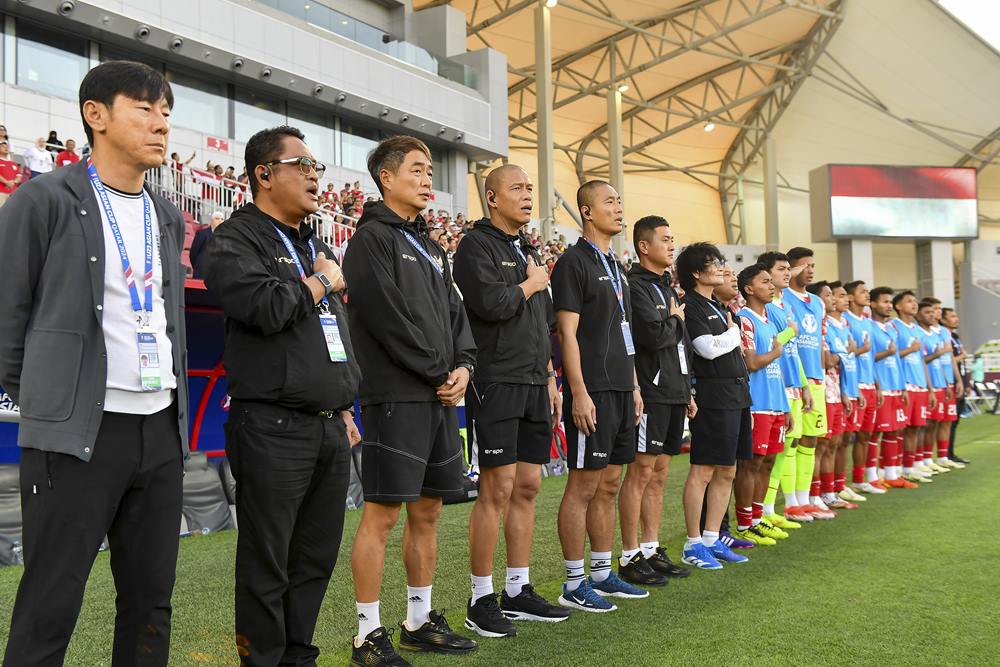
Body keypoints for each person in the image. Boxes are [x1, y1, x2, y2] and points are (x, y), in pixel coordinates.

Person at [0, 60, 189, 666]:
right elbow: (8, 317)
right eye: (145, 108)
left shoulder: (166, 212)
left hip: (159, 429)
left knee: (150, 602)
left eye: (166, 112)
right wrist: (49, 398)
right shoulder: (42, 200)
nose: (161, 124)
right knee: (51, 602)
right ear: (96, 115)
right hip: (78, 432)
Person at [205, 125, 361, 666]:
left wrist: (341, 403)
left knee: (315, 559)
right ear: (264, 174)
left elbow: (331, 333)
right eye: (303, 164)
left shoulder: (314, 245)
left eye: (317, 165)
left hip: (327, 427)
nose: (316, 174)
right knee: (266, 563)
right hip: (271, 426)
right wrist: (320, 283)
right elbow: (266, 308)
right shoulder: (233, 237)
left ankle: (299, 657)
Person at [343, 135, 478, 665]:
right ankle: (366, 634)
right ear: (387, 178)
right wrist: (438, 369)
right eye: (418, 171)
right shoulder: (371, 239)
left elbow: (458, 318)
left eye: (429, 172)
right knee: (382, 515)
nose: (428, 181)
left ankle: (418, 620)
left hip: (442, 398)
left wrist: (464, 365)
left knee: (428, 512)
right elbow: (382, 316)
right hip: (397, 397)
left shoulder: (431, 245)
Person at [453, 164, 569, 638]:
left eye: (529, 188)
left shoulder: (527, 248)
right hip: (496, 379)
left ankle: (516, 590)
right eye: (517, 188)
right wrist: (531, 283)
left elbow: (541, 324)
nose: (527, 196)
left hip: (534, 382)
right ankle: (480, 598)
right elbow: (490, 306)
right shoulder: (474, 245)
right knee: (496, 490)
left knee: (527, 487)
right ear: (492, 197)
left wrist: (549, 377)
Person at [551, 180, 647, 612]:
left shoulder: (617, 267)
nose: (618, 207)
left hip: (622, 388)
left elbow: (622, 335)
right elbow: (566, 332)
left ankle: (603, 574)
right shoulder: (574, 262)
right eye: (610, 201)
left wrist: (635, 386)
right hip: (592, 390)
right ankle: (573, 583)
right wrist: (578, 392)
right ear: (587, 212)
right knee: (583, 485)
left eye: (619, 200)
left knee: (610, 481)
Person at [621, 216, 693, 583]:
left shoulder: (666, 288)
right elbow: (652, 336)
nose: (671, 245)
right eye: (665, 239)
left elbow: (674, 341)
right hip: (650, 391)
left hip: (674, 391)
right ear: (644, 246)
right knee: (641, 472)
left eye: (673, 238)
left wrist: (686, 389)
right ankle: (629, 554)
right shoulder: (637, 287)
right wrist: (677, 319)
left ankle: (650, 548)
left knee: (660, 473)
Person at [675, 243, 751, 570]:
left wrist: (731, 333)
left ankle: (711, 538)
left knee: (728, 469)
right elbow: (706, 349)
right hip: (712, 395)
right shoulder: (691, 305)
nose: (721, 268)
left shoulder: (718, 306)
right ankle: (693, 543)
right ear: (696, 272)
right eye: (714, 263)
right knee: (703, 469)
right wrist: (733, 335)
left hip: (736, 395)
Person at [734, 263, 790, 546]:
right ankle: (746, 525)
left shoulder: (768, 320)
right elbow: (752, 362)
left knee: (768, 462)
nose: (771, 286)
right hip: (757, 404)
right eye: (765, 281)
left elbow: (774, 369)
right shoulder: (744, 318)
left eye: (772, 281)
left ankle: (758, 518)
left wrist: (786, 407)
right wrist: (775, 352)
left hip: (775, 403)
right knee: (751, 465)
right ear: (748, 288)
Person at [756, 252, 808, 527]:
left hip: (791, 385)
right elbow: (772, 344)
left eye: (789, 269)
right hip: (774, 386)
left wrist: (803, 384)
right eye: (781, 269)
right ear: (766, 273)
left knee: (785, 446)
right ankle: (761, 510)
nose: (787, 273)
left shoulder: (783, 306)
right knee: (768, 452)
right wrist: (791, 332)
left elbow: (792, 351)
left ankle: (769, 509)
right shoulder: (764, 309)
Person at [782, 247, 833, 519]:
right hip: (793, 381)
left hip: (816, 380)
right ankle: (790, 503)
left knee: (811, 440)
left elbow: (820, 343)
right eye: (805, 266)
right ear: (791, 269)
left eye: (813, 265)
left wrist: (822, 378)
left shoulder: (817, 302)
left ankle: (804, 499)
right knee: (791, 440)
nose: (811, 270)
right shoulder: (782, 297)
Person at [842, 280, 886, 495]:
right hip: (854, 385)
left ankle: (867, 477)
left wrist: (877, 384)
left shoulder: (867, 321)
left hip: (869, 384)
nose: (867, 295)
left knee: (868, 435)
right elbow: (846, 353)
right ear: (850, 297)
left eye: (868, 291)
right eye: (862, 292)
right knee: (850, 437)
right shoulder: (846, 320)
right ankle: (848, 482)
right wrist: (861, 349)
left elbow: (871, 358)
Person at [869, 287, 913, 489]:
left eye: (889, 302)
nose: (888, 306)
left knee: (895, 430)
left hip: (896, 385)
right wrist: (887, 353)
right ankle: (871, 476)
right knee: (875, 433)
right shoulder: (869, 327)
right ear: (873, 304)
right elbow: (868, 358)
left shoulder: (891, 329)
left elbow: (895, 358)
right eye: (884, 302)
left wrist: (902, 386)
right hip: (881, 386)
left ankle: (891, 473)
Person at [891, 291, 936, 485]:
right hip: (905, 384)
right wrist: (909, 350)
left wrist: (930, 388)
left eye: (915, 301)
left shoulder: (916, 329)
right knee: (900, 429)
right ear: (898, 306)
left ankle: (911, 466)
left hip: (920, 385)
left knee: (917, 427)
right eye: (909, 301)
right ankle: (895, 469)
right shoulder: (894, 327)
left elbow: (921, 360)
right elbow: (890, 355)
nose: (914, 304)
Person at [915, 300, 955, 475]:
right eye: (929, 311)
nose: (933, 314)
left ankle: (935, 458)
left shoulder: (940, 333)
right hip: (924, 385)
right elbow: (923, 359)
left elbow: (945, 360)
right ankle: (918, 461)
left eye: (935, 311)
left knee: (938, 422)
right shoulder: (918, 333)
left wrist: (951, 382)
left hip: (940, 384)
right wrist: (938, 353)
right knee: (923, 425)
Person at [940, 307, 971, 464]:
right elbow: (949, 360)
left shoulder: (956, 337)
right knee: (947, 422)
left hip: (958, 383)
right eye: (952, 316)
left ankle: (949, 454)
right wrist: (961, 356)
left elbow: (962, 362)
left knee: (954, 420)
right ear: (943, 320)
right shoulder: (943, 337)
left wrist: (966, 382)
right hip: (947, 383)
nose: (956, 318)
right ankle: (945, 455)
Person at [190, 211, 225, 278]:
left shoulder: (225, 237)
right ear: (211, 221)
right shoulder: (202, 233)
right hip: (201, 273)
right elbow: (193, 253)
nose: (220, 221)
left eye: (222, 219)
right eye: (217, 218)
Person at [0, 140, 25, 207]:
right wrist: (7, 182)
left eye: (7, 146)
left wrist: (14, 182)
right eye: (3, 146)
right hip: (1, 191)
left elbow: (19, 176)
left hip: (13, 193)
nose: (6, 148)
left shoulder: (13, 163)